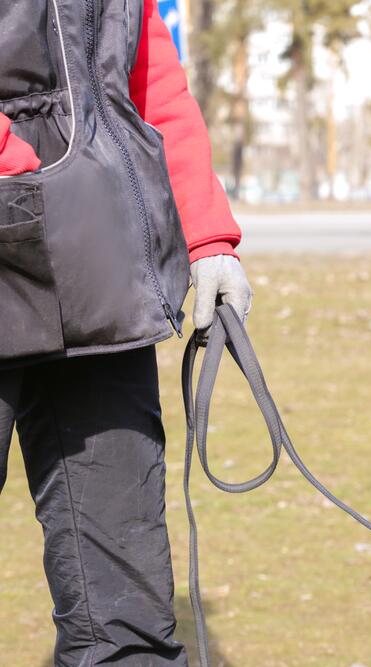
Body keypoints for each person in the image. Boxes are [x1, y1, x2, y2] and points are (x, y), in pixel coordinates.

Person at [0, 1, 252, 664]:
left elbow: (149, 77)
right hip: (25, 205)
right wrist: (16, 164)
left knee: (125, 607)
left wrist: (207, 233)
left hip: (98, 257)